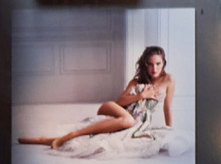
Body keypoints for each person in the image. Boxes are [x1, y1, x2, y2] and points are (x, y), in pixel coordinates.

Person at [18, 46, 175, 153]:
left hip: (132, 122)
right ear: (145, 64)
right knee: (128, 120)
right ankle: (72, 134)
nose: (154, 68)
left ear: (164, 63)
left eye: (158, 64)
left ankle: (44, 140)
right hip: (115, 109)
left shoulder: (169, 81)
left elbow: (167, 108)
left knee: (95, 139)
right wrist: (141, 96)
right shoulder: (136, 81)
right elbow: (119, 102)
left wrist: (170, 131)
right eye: (150, 64)